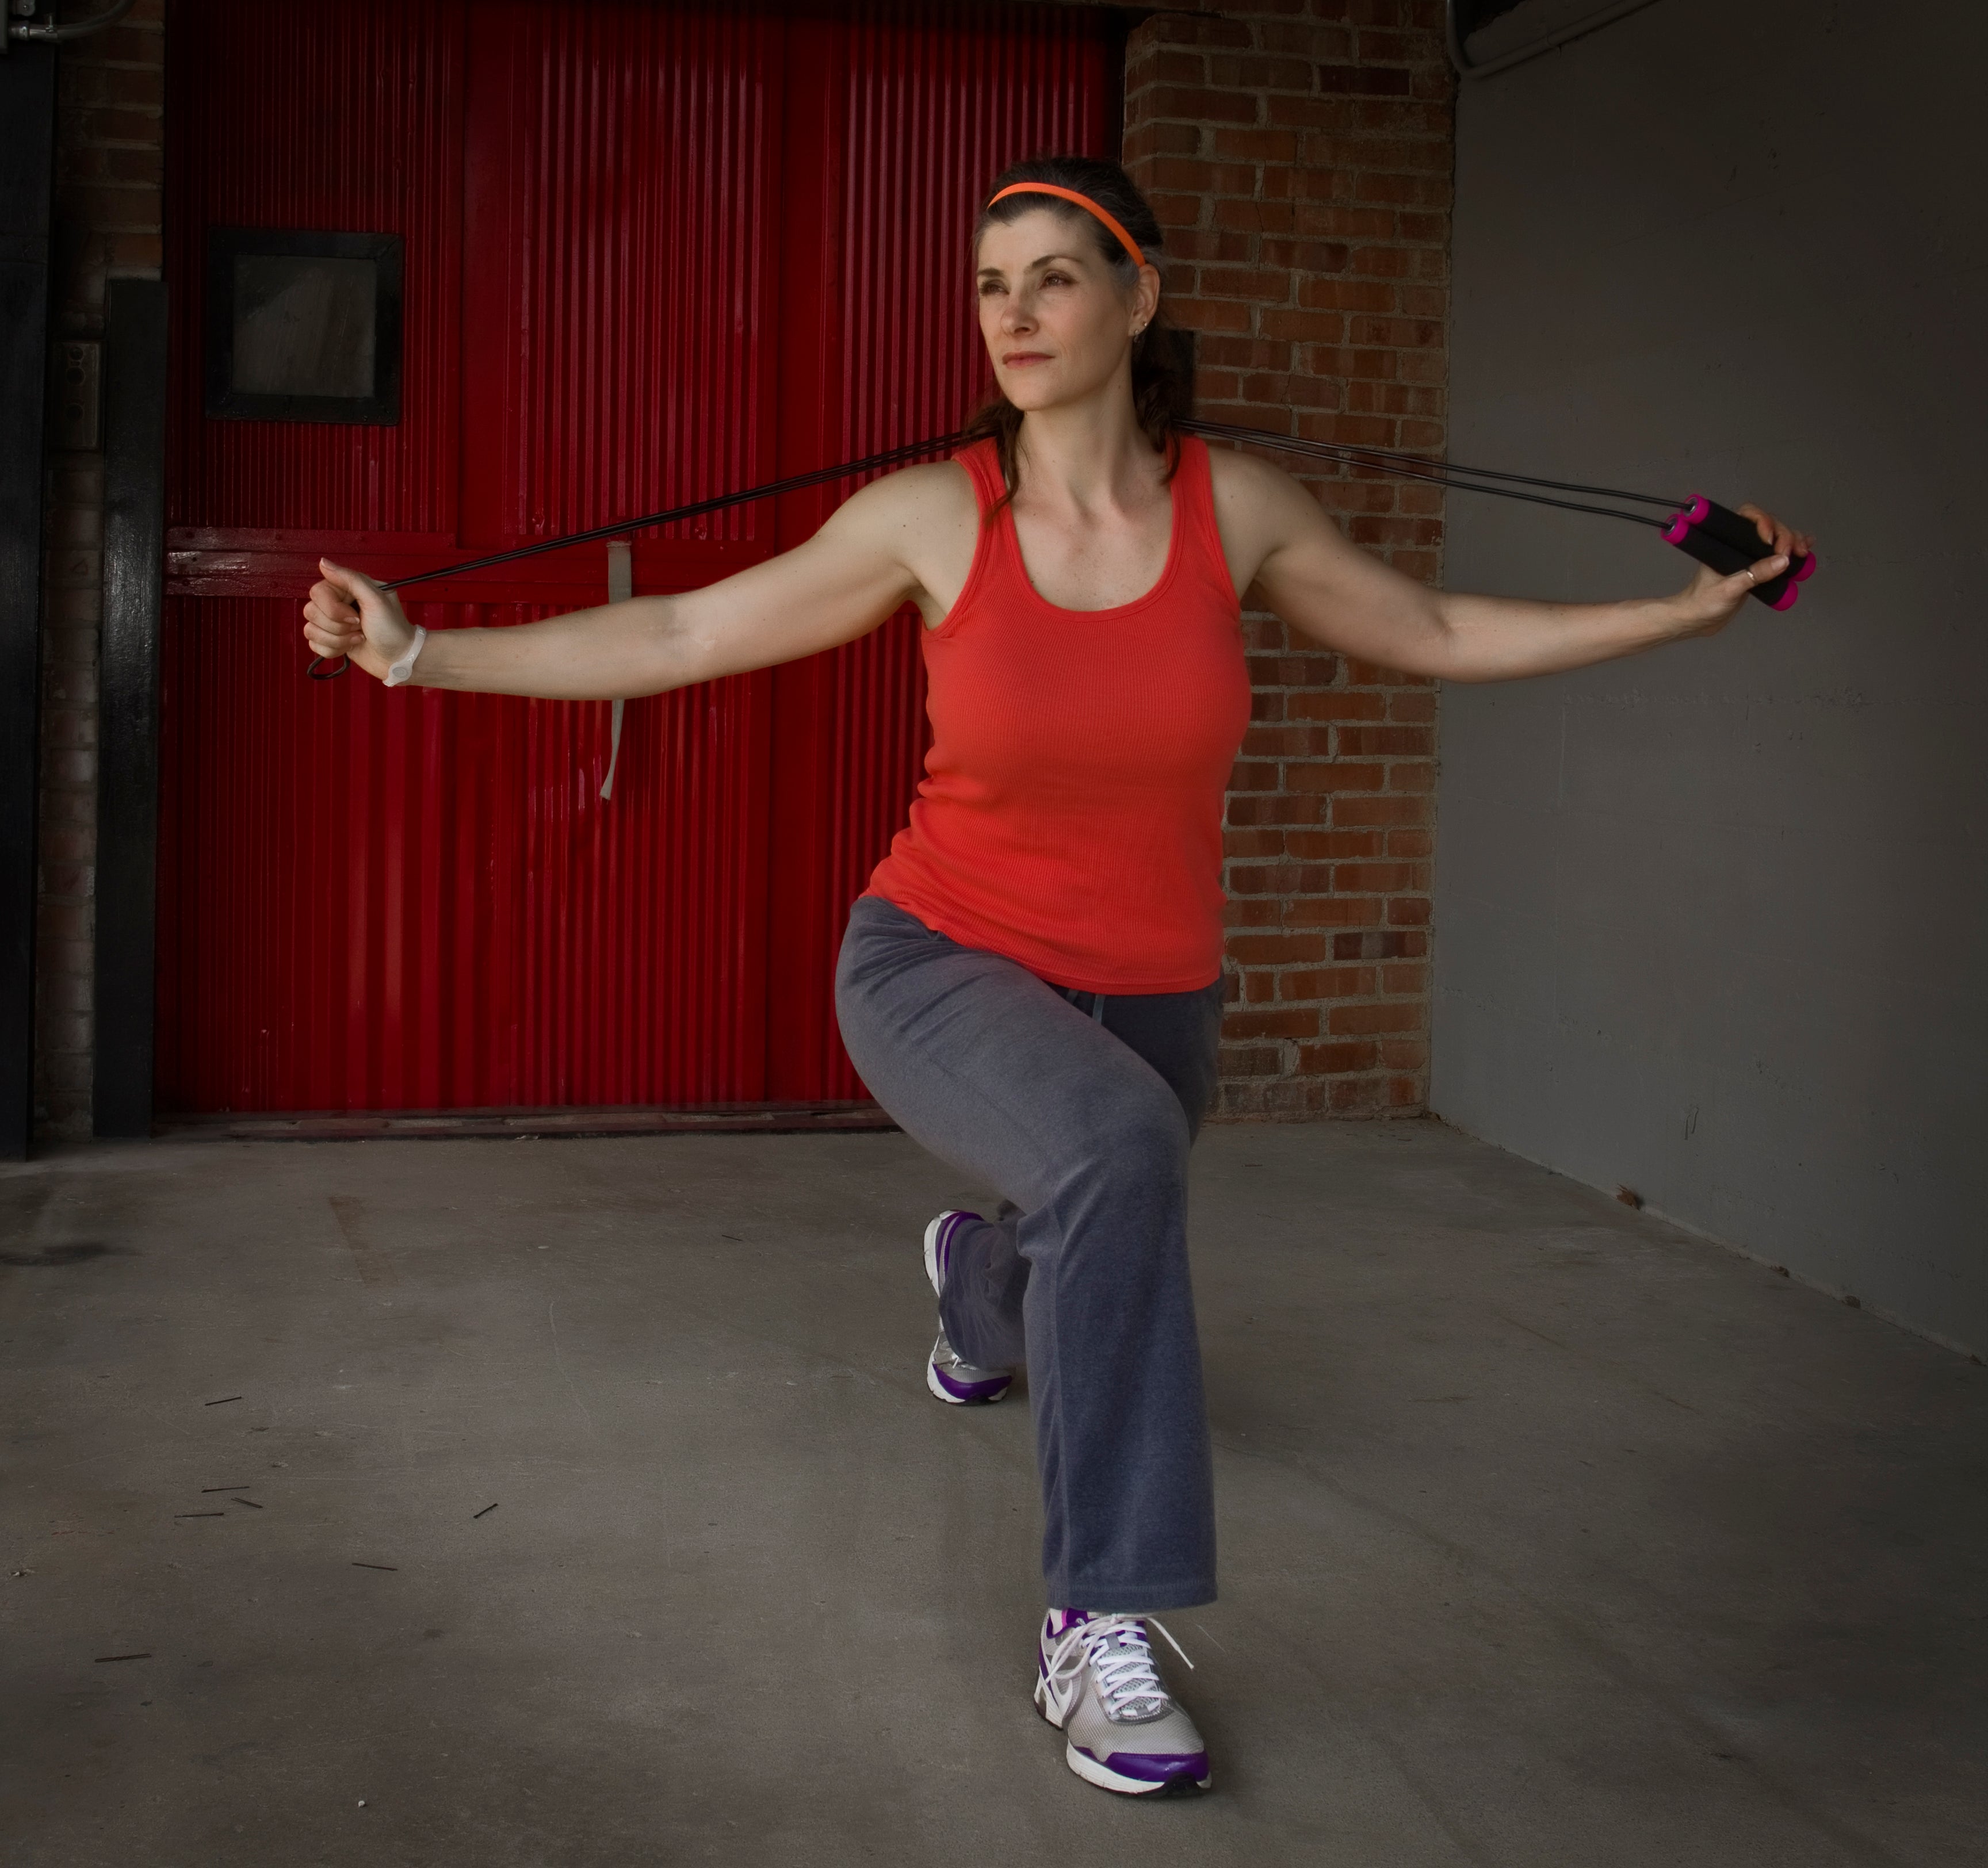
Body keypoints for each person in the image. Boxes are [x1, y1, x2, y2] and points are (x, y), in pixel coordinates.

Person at [303, 155, 1811, 1799]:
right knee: (1112, 1154)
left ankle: (979, 1278)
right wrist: (420, 652)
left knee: (1096, 1180)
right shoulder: (933, 517)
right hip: (937, 960)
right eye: (989, 284)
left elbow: (1435, 634)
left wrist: (1678, 616)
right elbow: (678, 638)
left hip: (1155, 994)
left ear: (1139, 296)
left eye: (1053, 277)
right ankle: (1101, 1622)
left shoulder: (1235, 513)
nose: (1013, 313)